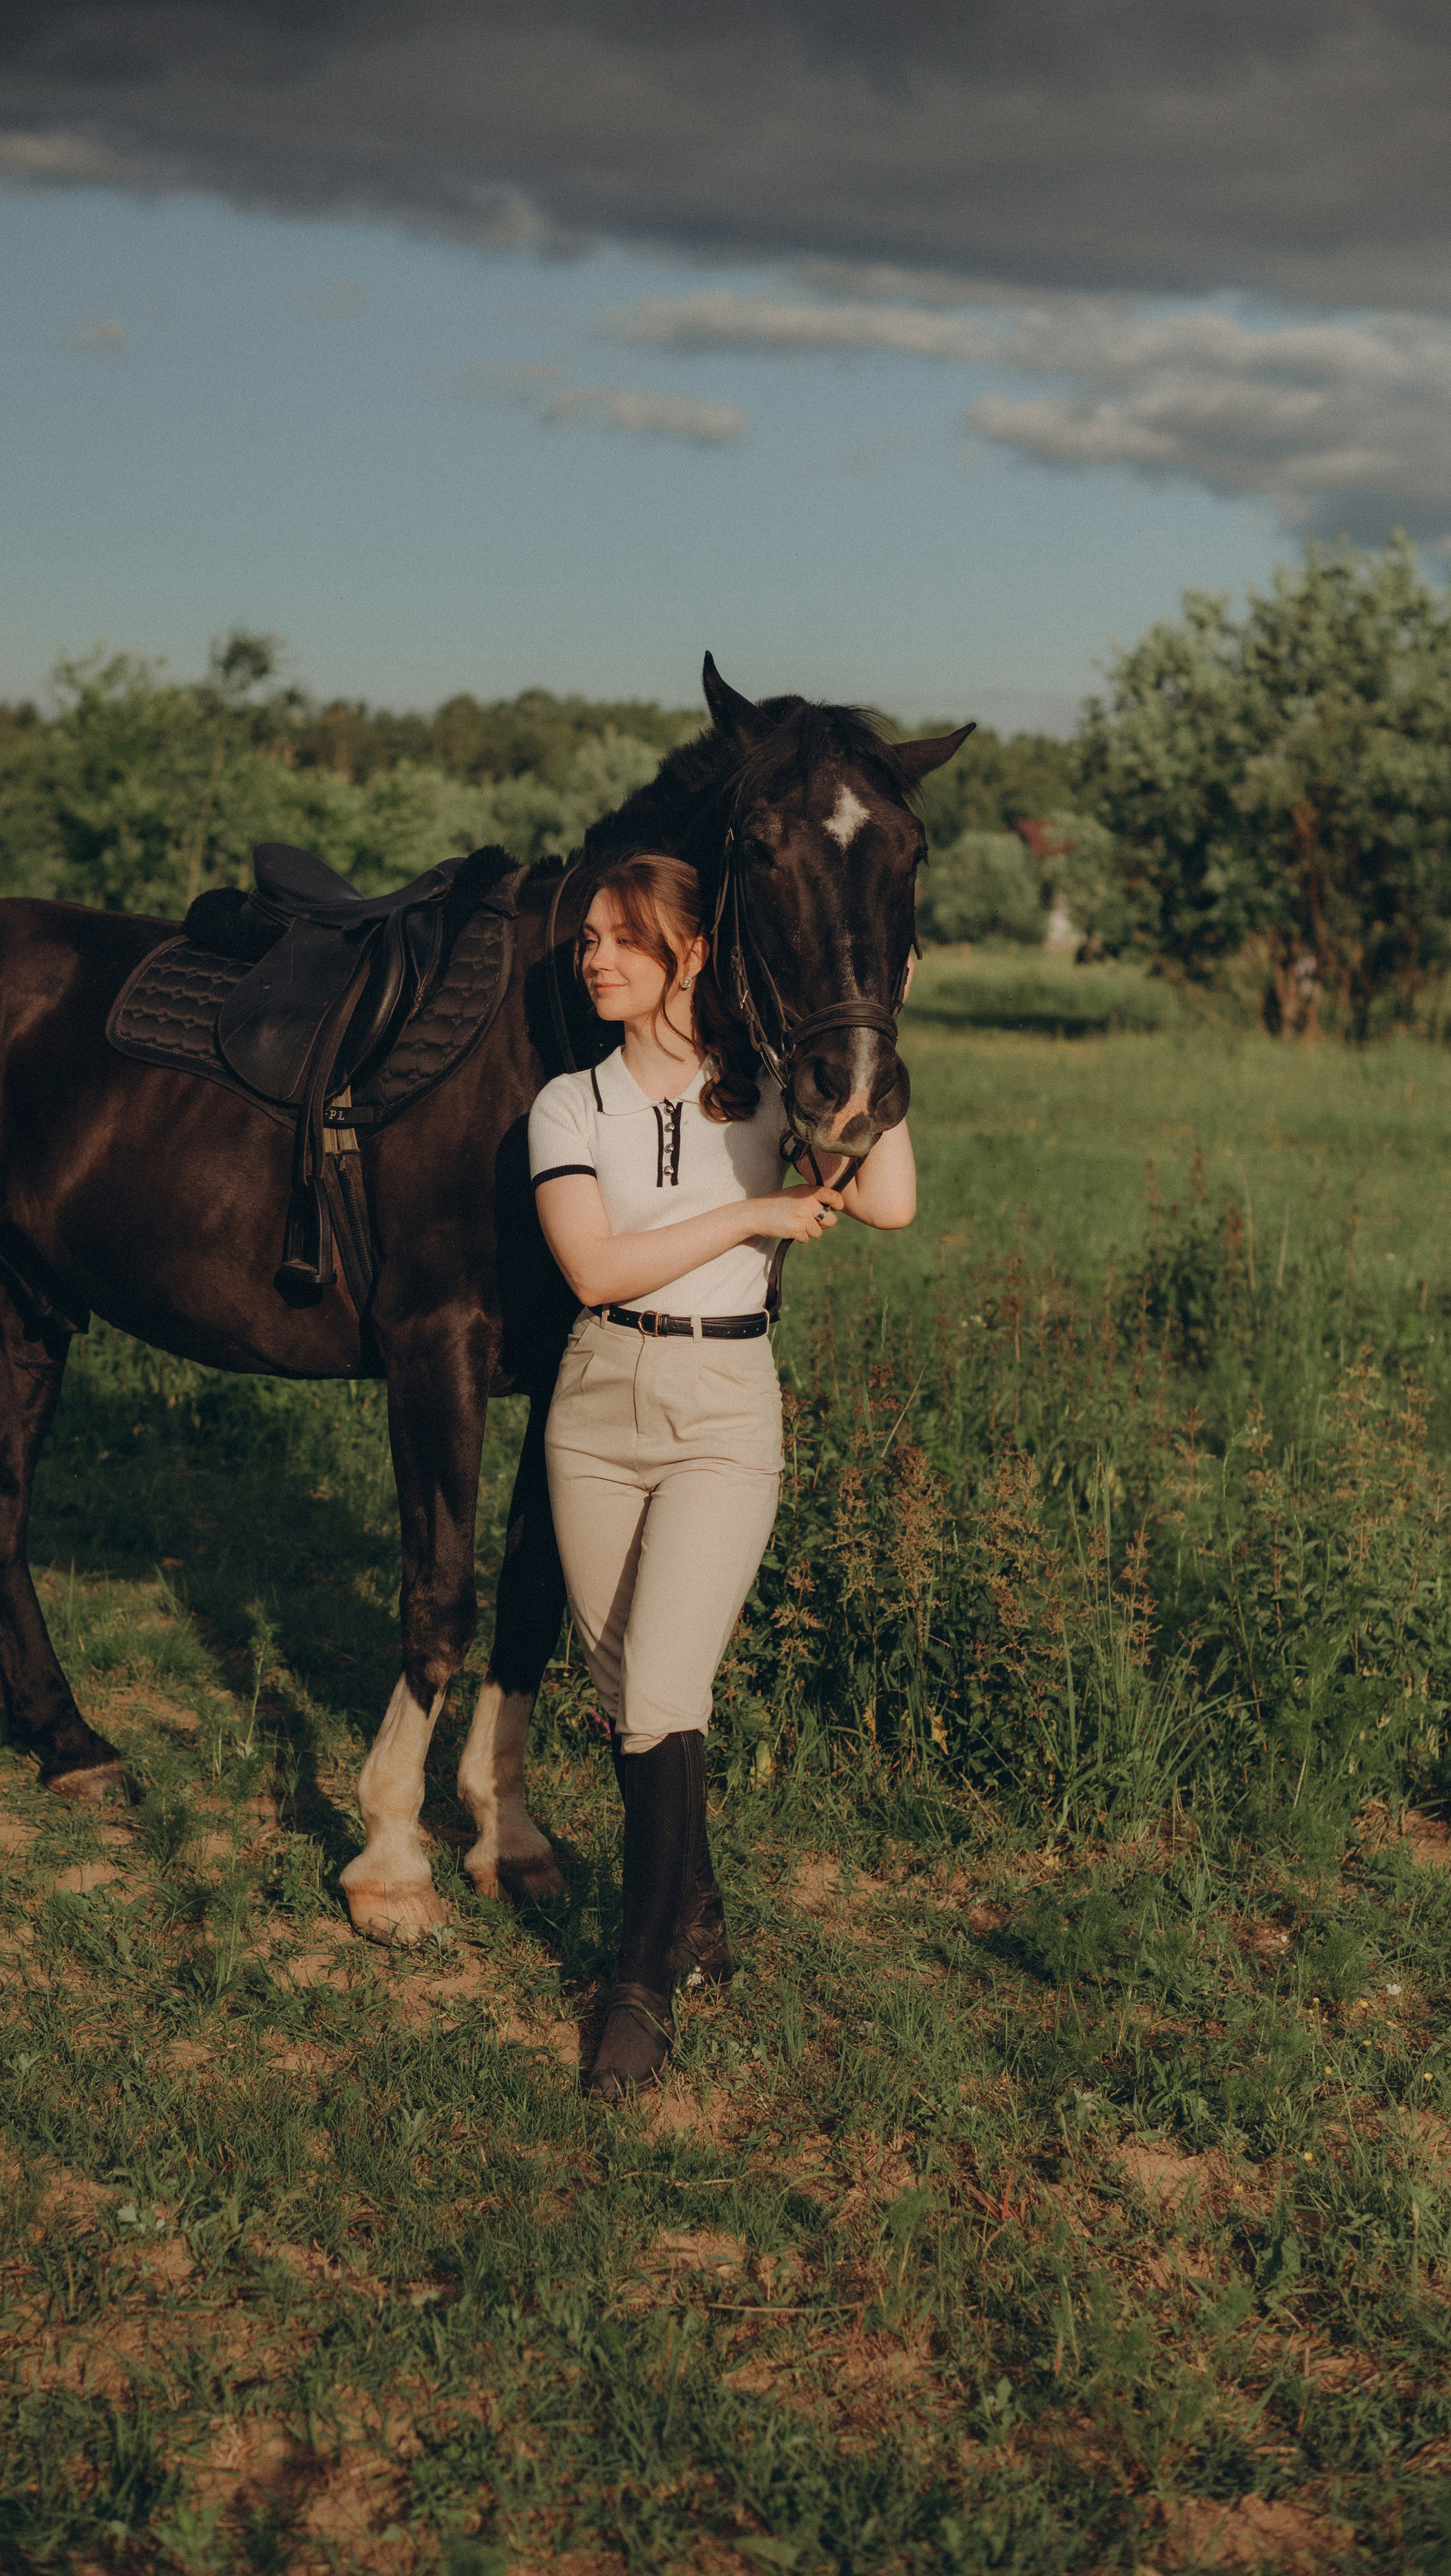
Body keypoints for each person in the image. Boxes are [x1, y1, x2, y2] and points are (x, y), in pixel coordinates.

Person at [528, 851, 916, 2100]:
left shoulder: (761, 1095)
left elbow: (892, 1202)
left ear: (690, 955)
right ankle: (693, 1907)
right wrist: (752, 1219)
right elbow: (592, 1271)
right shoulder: (566, 1106)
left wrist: (877, 1038)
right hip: (593, 1407)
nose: (595, 957)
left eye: (624, 939)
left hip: (721, 1411)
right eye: (587, 938)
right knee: (615, 1677)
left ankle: (637, 1985)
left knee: (660, 1687)